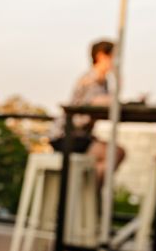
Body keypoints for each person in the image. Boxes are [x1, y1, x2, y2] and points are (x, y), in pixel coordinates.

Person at [49, 39, 124, 179]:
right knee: (114, 153)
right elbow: (99, 102)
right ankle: (91, 194)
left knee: (114, 154)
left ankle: (89, 193)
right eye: (114, 56)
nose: (116, 60)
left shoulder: (104, 82)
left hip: (82, 136)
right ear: (101, 56)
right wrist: (119, 78)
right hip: (66, 135)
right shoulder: (90, 78)